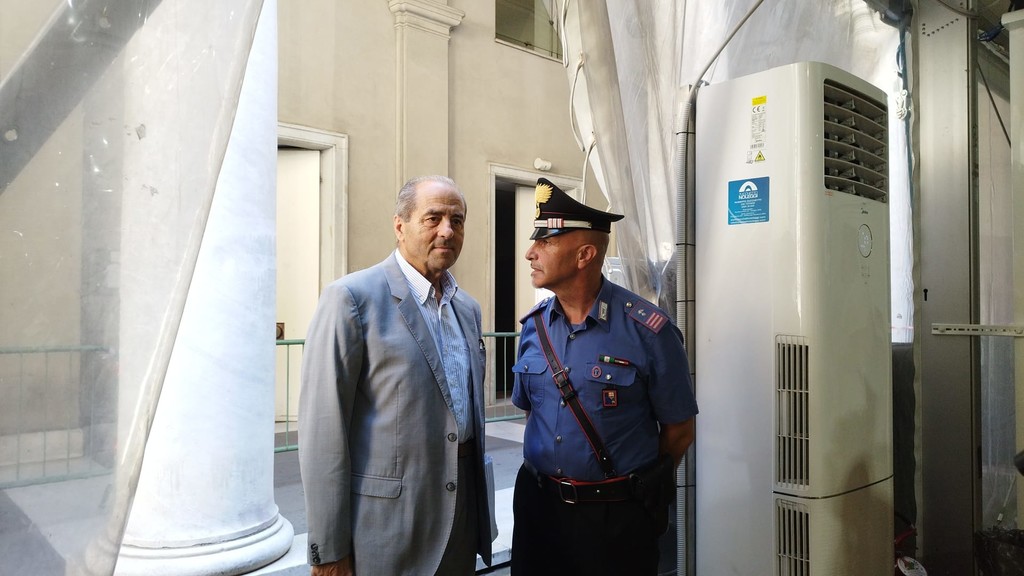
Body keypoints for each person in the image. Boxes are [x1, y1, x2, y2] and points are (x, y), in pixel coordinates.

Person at [298, 175, 492, 576]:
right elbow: (322, 432)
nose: (447, 230)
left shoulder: (467, 309)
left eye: (457, 220)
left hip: (461, 522)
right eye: (433, 218)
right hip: (386, 530)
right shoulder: (351, 299)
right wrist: (328, 549)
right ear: (400, 226)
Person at [510, 178, 698, 576]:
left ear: (585, 255)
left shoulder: (649, 331)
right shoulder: (533, 328)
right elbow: (533, 414)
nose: (530, 252)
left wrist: (634, 489)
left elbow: (680, 431)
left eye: (545, 242)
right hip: (538, 509)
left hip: (615, 518)